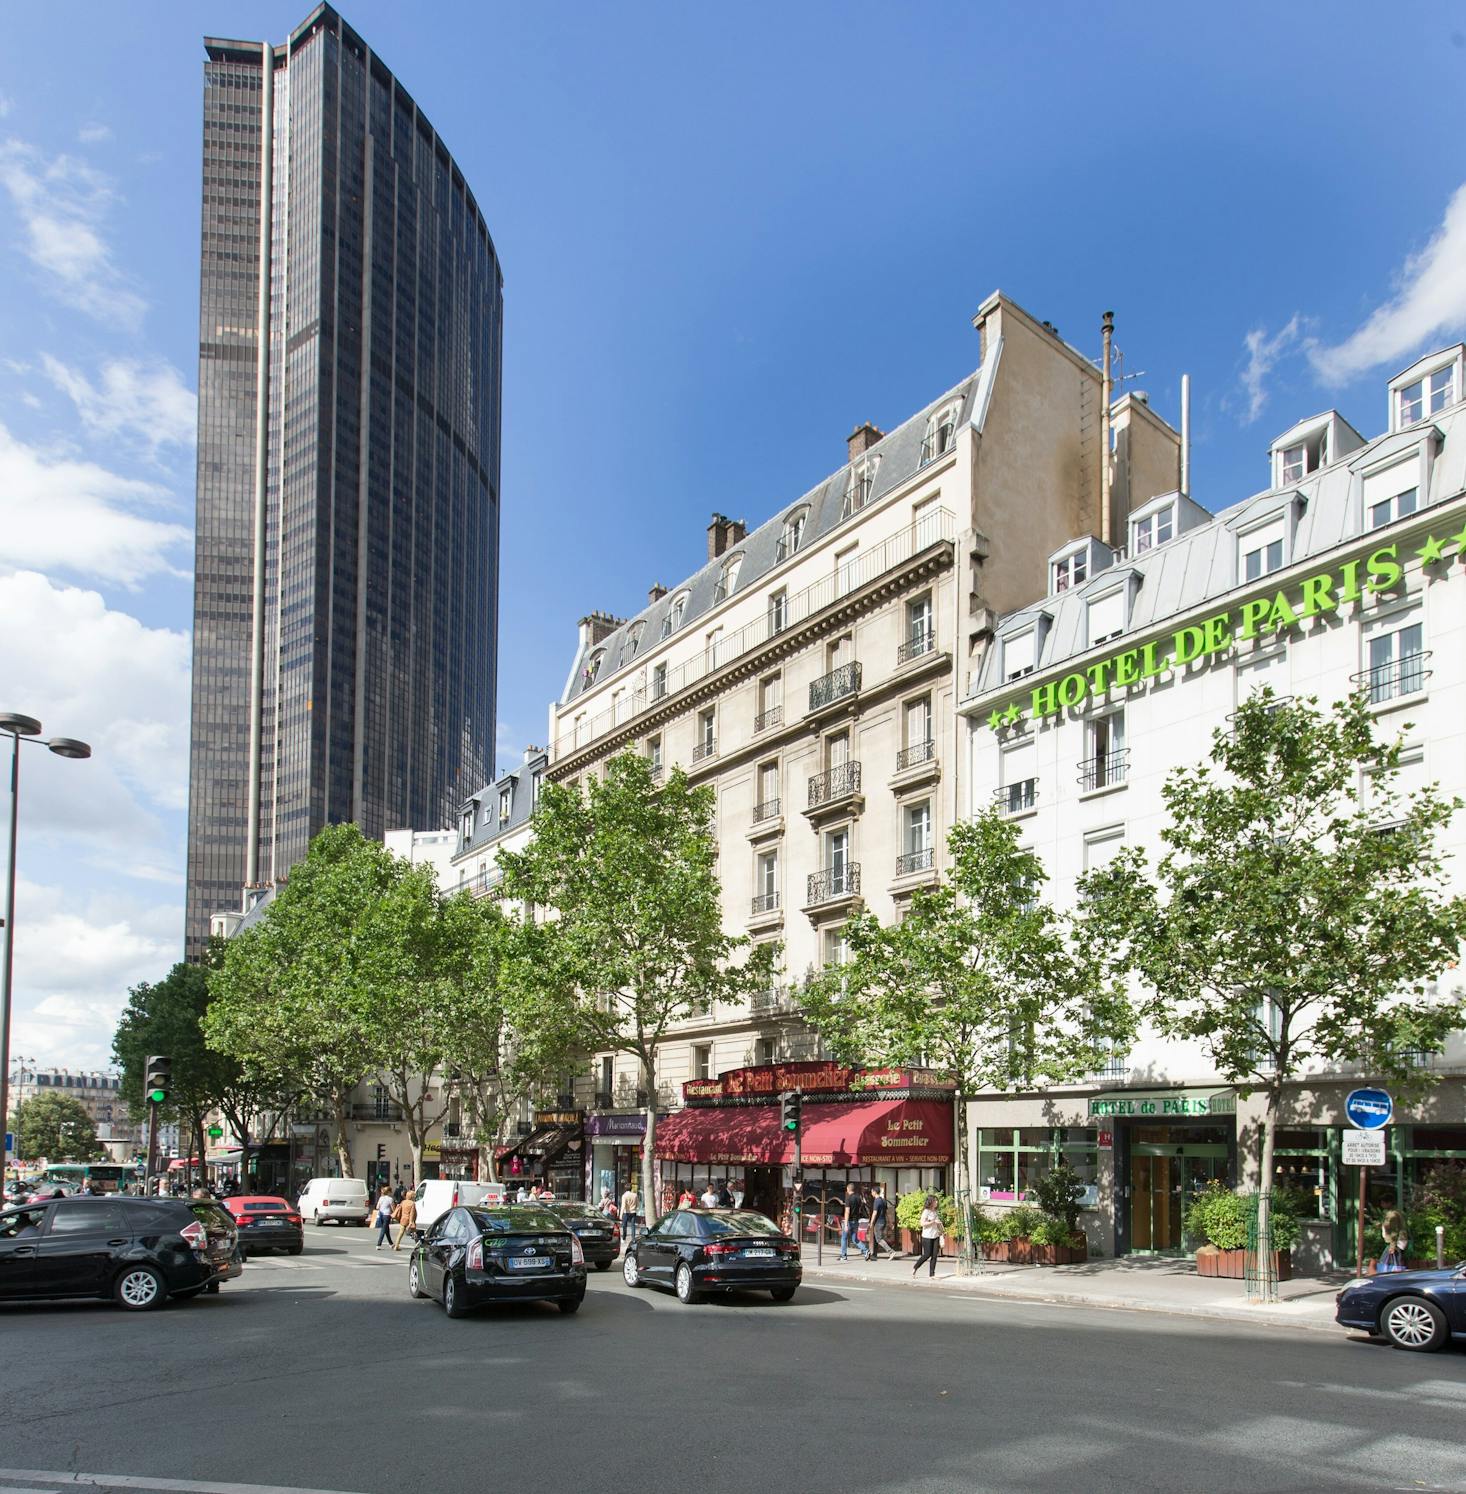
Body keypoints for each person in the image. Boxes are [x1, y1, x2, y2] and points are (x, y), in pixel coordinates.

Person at [912, 1195, 942, 1279]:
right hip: (927, 1236)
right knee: (927, 1254)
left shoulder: (935, 1211)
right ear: (931, 1202)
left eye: (937, 1201)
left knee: (934, 1255)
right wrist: (933, 1222)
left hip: (935, 1235)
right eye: (935, 1201)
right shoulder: (926, 1211)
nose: (937, 1202)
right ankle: (915, 1267)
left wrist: (941, 1230)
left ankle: (932, 1274)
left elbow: (937, 1222)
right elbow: (922, 1223)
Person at [839, 1183, 867, 1261]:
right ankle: (866, 1251)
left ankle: (843, 1256)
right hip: (856, 1221)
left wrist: (846, 1224)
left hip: (849, 1221)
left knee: (844, 1238)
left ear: (848, 1189)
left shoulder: (848, 1199)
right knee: (855, 1239)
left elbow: (847, 1212)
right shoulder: (858, 1198)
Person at [866, 1183, 891, 1261]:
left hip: (878, 1222)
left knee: (879, 1239)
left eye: (872, 1191)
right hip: (883, 1221)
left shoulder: (876, 1201)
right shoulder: (883, 1201)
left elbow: (875, 1213)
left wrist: (871, 1222)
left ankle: (891, 1252)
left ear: (874, 1192)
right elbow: (886, 1213)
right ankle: (874, 1255)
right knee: (876, 1238)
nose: (871, 1193)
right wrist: (890, 1222)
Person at [1379, 1209, 1409, 1273]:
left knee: (1390, 1264)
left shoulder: (1391, 1227)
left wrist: (1392, 1246)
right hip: (1398, 1247)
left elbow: (1393, 1236)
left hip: (1394, 1247)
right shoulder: (1401, 1228)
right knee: (1397, 1263)